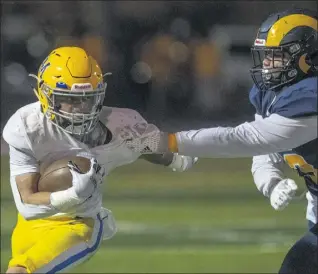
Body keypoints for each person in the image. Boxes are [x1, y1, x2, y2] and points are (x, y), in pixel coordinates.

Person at [125, 8, 318, 274]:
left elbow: (246, 139)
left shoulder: (309, 98)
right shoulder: (276, 94)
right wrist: (271, 182)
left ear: (308, 58)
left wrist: (168, 141)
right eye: (267, 56)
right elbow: (266, 149)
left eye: (278, 56)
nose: (268, 64)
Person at [2, 46, 197, 274]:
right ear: (45, 94)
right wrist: (72, 194)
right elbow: (28, 206)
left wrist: (180, 156)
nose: (80, 109)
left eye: (87, 99)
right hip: (32, 223)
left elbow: (150, 147)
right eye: (69, 100)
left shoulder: (121, 126)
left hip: (79, 224)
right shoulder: (26, 127)